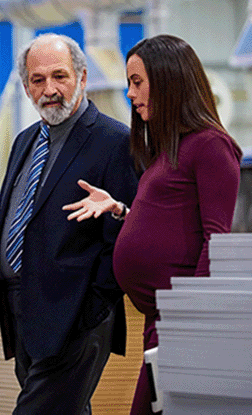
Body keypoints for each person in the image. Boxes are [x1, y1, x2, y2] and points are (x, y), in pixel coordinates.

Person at [64, 34, 242, 415]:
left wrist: (189, 317)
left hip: (178, 319)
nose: (129, 93)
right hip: (159, 317)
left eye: (137, 82)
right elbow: (174, 224)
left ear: (169, 80)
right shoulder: (170, 149)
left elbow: (216, 239)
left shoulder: (210, 146)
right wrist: (124, 213)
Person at [0, 33, 139, 415]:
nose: (50, 89)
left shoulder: (114, 141)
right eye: (38, 80)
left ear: (82, 77)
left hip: (75, 310)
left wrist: (94, 306)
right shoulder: (26, 140)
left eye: (59, 76)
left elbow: (125, 231)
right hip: (21, 305)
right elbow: (15, 213)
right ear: (27, 87)